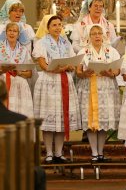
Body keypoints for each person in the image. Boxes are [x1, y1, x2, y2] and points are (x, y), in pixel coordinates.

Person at [32, 15, 81, 164]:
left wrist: (70, 66)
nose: (58, 27)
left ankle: (59, 153)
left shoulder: (66, 43)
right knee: (48, 119)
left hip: (64, 81)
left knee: (61, 117)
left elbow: (73, 60)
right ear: (48, 27)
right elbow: (43, 65)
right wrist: (56, 68)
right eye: (54, 25)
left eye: (60, 25)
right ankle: (48, 153)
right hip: (49, 82)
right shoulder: (41, 43)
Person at [76, 24, 121, 162]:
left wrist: (110, 72)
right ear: (89, 36)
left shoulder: (111, 51)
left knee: (103, 121)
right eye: (93, 33)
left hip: (106, 88)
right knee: (91, 121)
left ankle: (100, 152)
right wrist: (84, 73)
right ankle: (94, 152)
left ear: (103, 35)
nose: (97, 36)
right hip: (89, 87)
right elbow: (77, 72)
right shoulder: (82, 52)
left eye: (99, 33)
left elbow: (117, 70)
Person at [0, 22, 34, 117]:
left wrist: (19, 72)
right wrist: (3, 70)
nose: (12, 33)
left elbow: (29, 74)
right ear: (5, 33)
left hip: (20, 87)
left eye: (15, 31)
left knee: (19, 115)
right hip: (2, 85)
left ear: (19, 34)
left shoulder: (24, 50)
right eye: (9, 30)